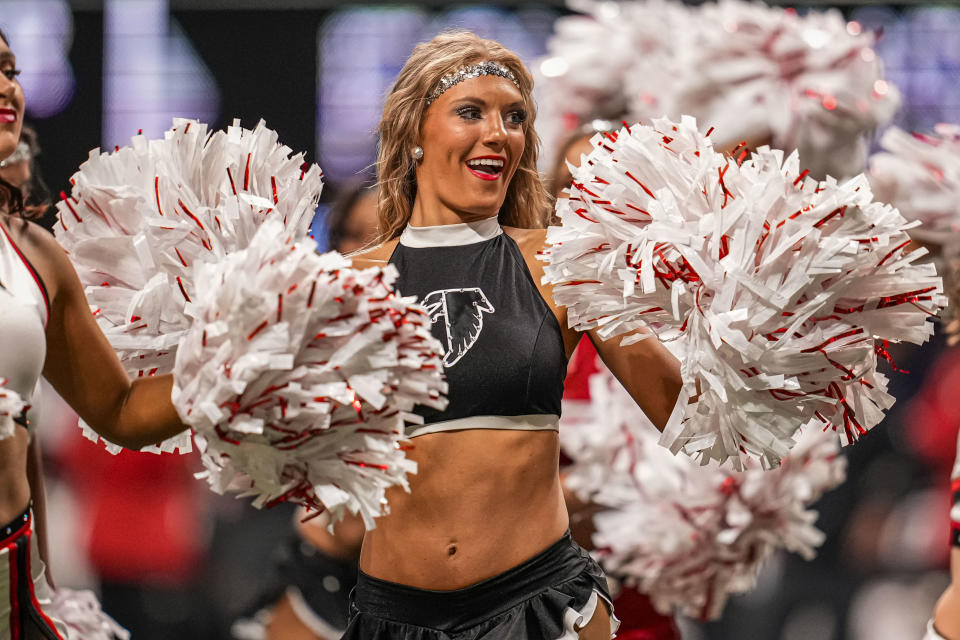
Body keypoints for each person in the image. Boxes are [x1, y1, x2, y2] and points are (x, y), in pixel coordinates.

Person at [343, 30, 682, 640]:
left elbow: (682, 411)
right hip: (391, 617)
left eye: (516, 117)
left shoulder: (562, 263)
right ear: (414, 133)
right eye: (470, 112)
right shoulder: (348, 281)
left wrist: (749, 316)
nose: (499, 133)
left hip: (539, 606)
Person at [0, 28, 188, 637]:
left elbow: (122, 410)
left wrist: (233, 356)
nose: (7, 86)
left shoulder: (33, 253)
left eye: (10, 69)